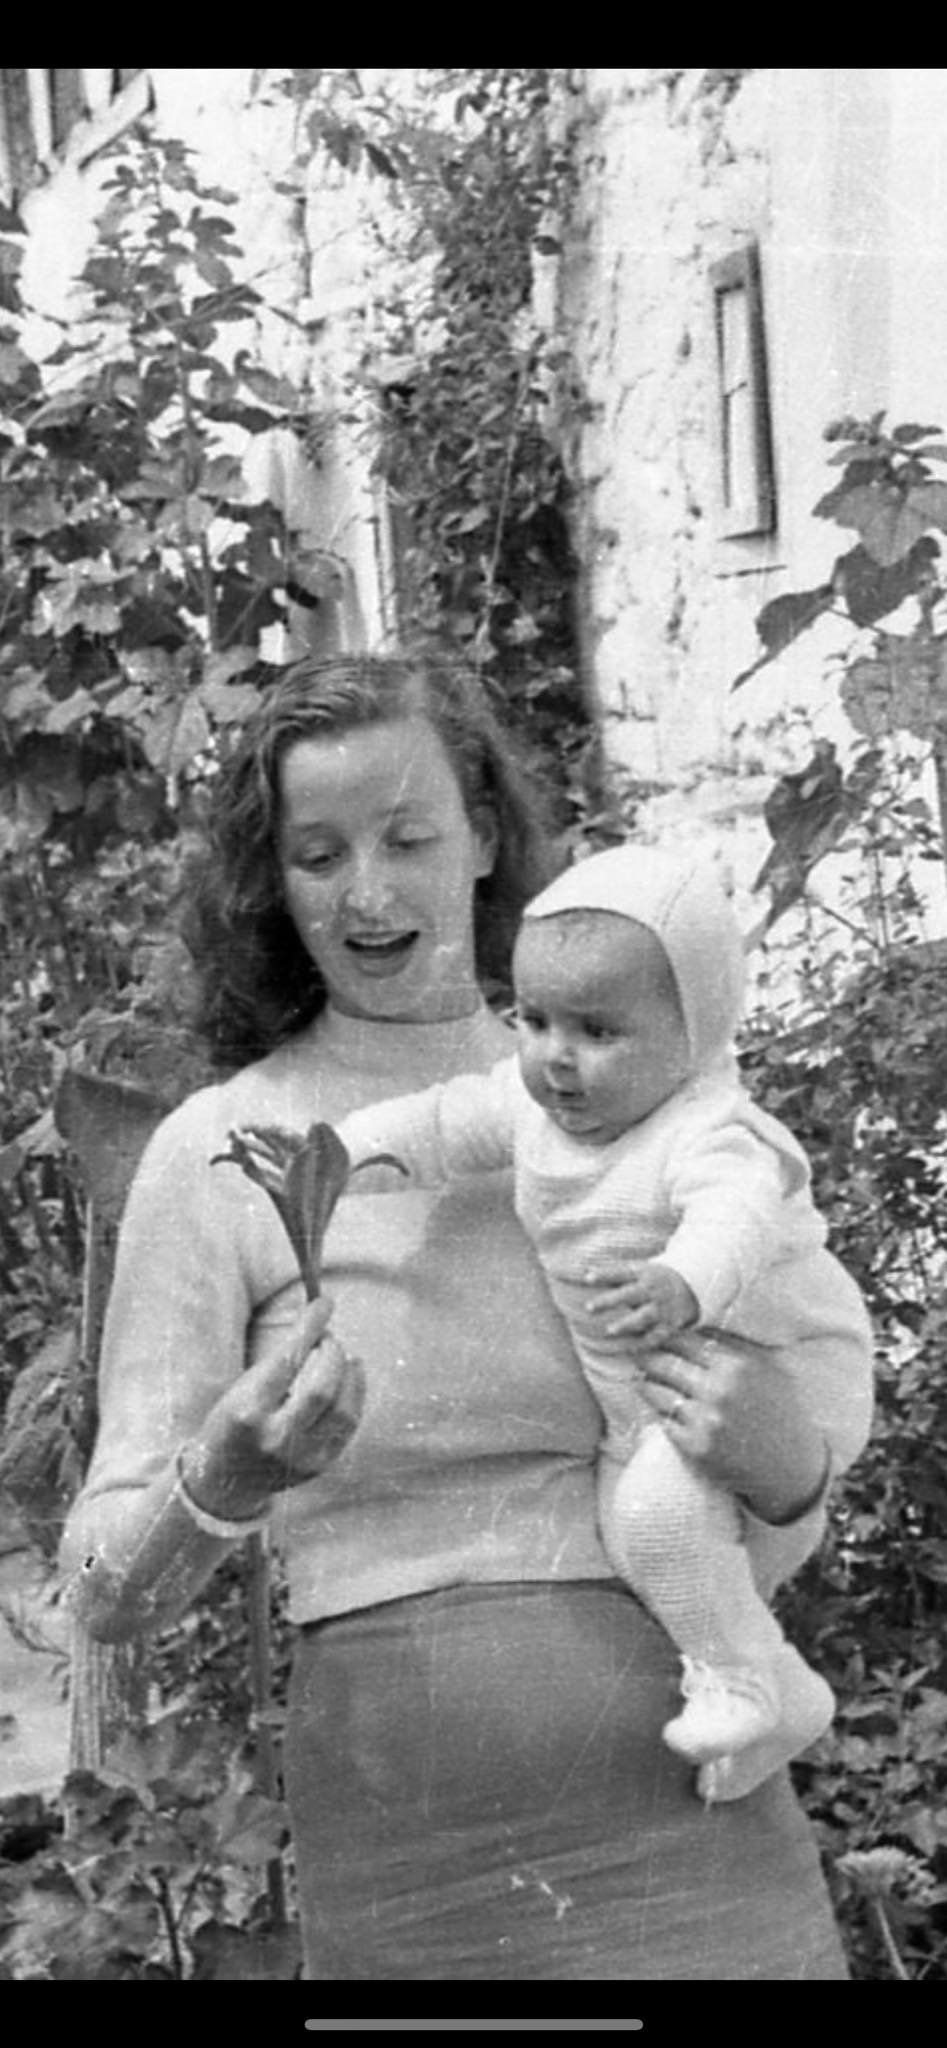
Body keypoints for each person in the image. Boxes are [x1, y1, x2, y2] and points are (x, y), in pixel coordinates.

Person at [60, 652, 871, 1981]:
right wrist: (220, 1478)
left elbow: (765, 1506)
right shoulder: (223, 1152)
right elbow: (100, 1596)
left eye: (408, 837)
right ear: (272, 877)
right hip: (411, 1863)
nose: (367, 893)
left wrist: (786, 1465)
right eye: (318, 854)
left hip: (690, 1820)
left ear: (485, 834)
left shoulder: (642, 1099)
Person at [331, 843, 873, 1804]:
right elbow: (441, 1125)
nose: (555, 1056)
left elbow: (737, 1216)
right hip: (650, 1400)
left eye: (597, 1029)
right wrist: (340, 1154)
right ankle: (768, 1688)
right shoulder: (535, 1109)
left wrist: (682, 1280)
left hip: (773, 1366)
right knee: (639, 1541)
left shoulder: (705, 1130)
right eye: (532, 1019)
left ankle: (748, 1682)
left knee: (657, 1518)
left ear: (694, 1033)